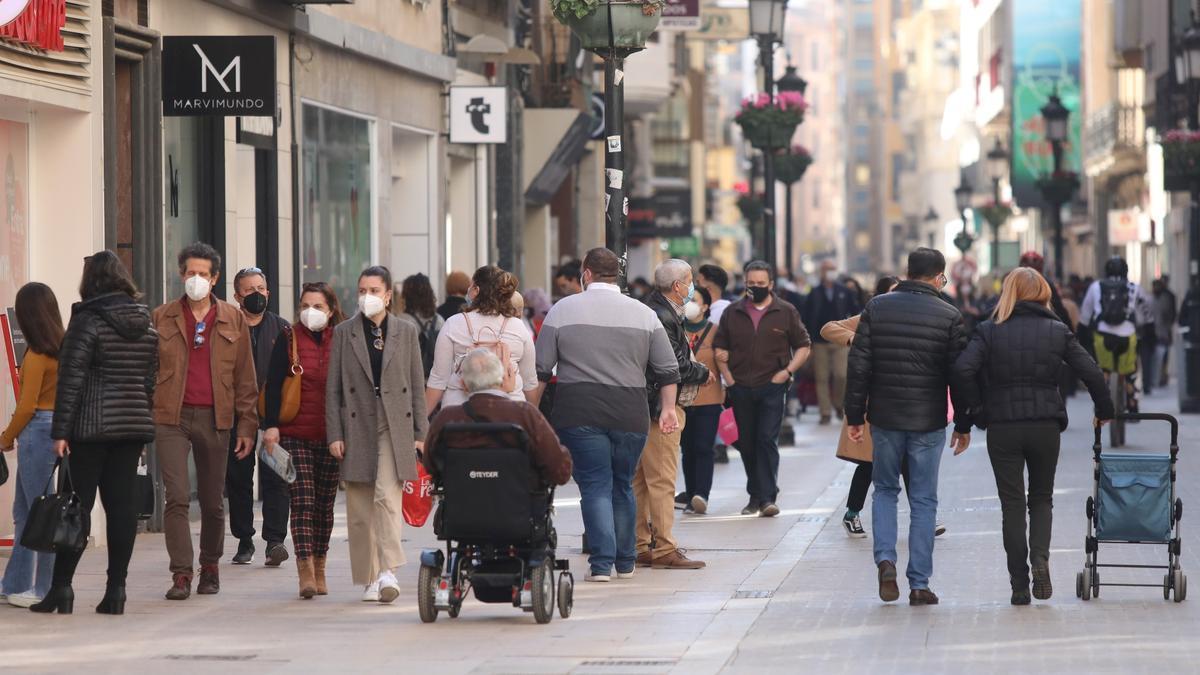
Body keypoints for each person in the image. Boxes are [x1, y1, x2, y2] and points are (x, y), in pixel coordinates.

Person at [953, 268, 1115, 605]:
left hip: (1003, 427)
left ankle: (1019, 586)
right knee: (1041, 499)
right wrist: (1104, 408)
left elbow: (962, 370)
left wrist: (975, 413)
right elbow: (1090, 370)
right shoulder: (1057, 330)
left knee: (1012, 504)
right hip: (1045, 423)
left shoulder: (988, 330)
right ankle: (1040, 557)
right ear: (1043, 293)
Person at [534, 248, 681, 582]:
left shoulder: (562, 310)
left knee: (595, 486)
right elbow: (668, 369)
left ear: (586, 274)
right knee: (623, 485)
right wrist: (669, 408)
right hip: (631, 413)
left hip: (579, 410)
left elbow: (541, 371)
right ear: (618, 274)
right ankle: (626, 562)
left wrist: (529, 412)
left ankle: (602, 565)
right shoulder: (644, 314)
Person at [31, 251, 158, 615]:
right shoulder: (146, 324)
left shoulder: (86, 322)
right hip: (131, 429)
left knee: (74, 507)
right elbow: (150, 379)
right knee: (122, 509)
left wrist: (60, 431)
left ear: (91, 281)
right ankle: (116, 591)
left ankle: (62, 588)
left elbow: (70, 382)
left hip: (89, 429)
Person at [844, 247, 970, 606]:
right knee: (924, 499)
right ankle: (919, 583)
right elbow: (959, 375)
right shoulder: (949, 315)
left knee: (884, 490)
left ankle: (886, 560)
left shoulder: (877, 308)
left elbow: (859, 365)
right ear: (937, 278)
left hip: (884, 417)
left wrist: (855, 416)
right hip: (928, 420)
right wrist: (963, 422)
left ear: (907, 272)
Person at [153, 242, 259, 600]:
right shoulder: (162, 317)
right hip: (171, 416)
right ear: (181, 275)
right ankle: (181, 573)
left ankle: (209, 567)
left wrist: (247, 426)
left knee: (213, 501)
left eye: (203, 274)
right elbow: (147, 369)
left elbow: (246, 379)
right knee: (177, 497)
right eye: (190, 273)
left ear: (214, 279)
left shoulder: (234, 319)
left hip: (217, 418)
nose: (195, 279)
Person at [326, 265, 428, 603]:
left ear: (388, 295)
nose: (366, 297)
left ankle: (389, 570)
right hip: (356, 424)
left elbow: (416, 384)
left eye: (373, 290)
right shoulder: (344, 332)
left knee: (386, 496)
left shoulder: (406, 331)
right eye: (362, 290)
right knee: (359, 507)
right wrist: (334, 433)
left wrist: (420, 433)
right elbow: (334, 390)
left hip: (393, 422)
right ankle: (368, 576)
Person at [261, 282, 345, 599]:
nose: (311, 312)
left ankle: (321, 566)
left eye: (318, 306)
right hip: (295, 433)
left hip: (332, 435)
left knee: (325, 506)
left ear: (331, 310)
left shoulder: (343, 338)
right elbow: (272, 385)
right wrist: (271, 427)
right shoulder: (289, 337)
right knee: (303, 501)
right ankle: (305, 571)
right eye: (305, 305)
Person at [713, 261, 811, 517]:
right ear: (745, 283)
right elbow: (719, 349)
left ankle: (767, 497)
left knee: (766, 439)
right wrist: (730, 380)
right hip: (740, 386)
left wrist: (787, 371)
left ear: (770, 284)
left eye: (760, 284)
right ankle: (755, 494)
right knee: (745, 442)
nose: (755, 288)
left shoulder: (786, 311)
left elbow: (803, 345)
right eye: (751, 283)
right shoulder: (732, 312)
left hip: (772, 385)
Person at [634, 260, 711, 570]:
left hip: (641, 403)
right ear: (678, 286)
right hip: (660, 406)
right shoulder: (663, 315)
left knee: (639, 480)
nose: (692, 287)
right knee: (663, 478)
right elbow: (674, 365)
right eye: (689, 281)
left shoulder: (648, 307)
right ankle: (664, 545)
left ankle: (641, 543)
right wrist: (702, 372)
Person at [424, 349, 572, 487]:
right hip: (519, 508)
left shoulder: (447, 418)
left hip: (460, 508)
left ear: (464, 385)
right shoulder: (525, 415)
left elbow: (431, 466)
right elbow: (560, 471)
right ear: (502, 380)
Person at [0, 283, 63, 608]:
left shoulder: (37, 356)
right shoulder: (62, 347)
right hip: (54, 428)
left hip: (36, 430)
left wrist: (6, 437)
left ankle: (41, 587)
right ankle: (15, 582)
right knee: (28, 512)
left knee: (40, 513)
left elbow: (25, 407)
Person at [821, 276, 898, 538]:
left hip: (901, 399)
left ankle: (927, 518)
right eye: (892, 293)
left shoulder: (910, 317)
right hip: (870, 400)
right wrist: (857, 340)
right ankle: (852, 513)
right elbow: (828, 328)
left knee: (910, 461)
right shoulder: (869, 317)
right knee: (869, 462)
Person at [226, 266, 291, 568]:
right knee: (239, 480)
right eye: (249, 290)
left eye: (261, 288)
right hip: (236, 416)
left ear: (269, 292)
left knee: (276, 478)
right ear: (237, 296)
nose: (256, 294)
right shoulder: (226, 327)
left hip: (273, 417)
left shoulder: (283, 329)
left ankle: (275, 541)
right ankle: (244, 540)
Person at [426, 266, 537, 411]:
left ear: (476, 291)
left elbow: (439, 379)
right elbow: (529, 382)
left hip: (459, 412)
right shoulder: (518, 327)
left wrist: (421, 424)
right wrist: (532, 417)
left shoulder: (453, 324)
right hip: (510, 412)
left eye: (470, 286)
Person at [1079, 256, 1154, 412]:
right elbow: (1147, 314)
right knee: (1130, 370)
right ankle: (1132, 401)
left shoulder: (1095, 287)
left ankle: (1101, 402)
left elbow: (1085, 316)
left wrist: (1082, 336)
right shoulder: (1134, 287)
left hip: (1102, 335)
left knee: (1103, 369)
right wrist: (1149, 332)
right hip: (1128, 336)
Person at [676, 287, 724, 515]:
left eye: (694, 300)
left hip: (709, 399)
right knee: (687, 449)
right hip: (682, 400)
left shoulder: (715, 332)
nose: (689, 304)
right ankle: (691, 493)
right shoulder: (676, 330)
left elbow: (724, 362)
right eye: (687, 300)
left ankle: (701, 494)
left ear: (705, 306)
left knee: (704, 447)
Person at [803, 260, 861, 425]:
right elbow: (806, 317)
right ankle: (825, 412)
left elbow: (855, 311)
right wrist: (809, 342)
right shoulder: (814, 292)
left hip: (841, 340)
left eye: (833, 269)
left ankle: (838, 404)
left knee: (841, 375)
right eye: (828, 269)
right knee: (821, 377)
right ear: (821, 271)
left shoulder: (844, 291)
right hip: (819, 341)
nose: (830, 272)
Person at [398, 273, 444, 380]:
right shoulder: (439, 320)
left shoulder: (402, 320)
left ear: (406, 295)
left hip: (411, 379)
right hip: (435, 380)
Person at [1153, 277, 1177, 388]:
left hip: (1164, 330)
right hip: (1154, 331)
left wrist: (1168, 328)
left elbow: (1171, 315)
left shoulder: (1168, 297)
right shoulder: (1152, 297)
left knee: (1164, 355)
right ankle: (1158, 376)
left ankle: (1163, 375)